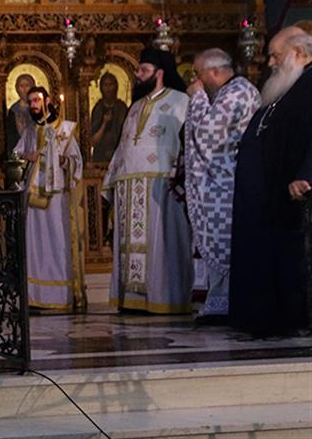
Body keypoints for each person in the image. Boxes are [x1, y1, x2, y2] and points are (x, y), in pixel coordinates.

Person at [231, 26, 312, 337]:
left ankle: (294, 317)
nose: (270, 64)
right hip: (265, 195)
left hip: (291, 194)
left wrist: (306, 173)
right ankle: (264, 315)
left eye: (276, 56)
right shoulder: (284, 88)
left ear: (299, 53)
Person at [104, 47, 193, 314]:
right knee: (129, 245)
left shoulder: (180, 101)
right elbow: (122, 146)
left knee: (162, 244)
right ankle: (132, 300)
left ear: (159, 73)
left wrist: (184, 175)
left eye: (143, 70)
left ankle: (165, 298)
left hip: (162, 185)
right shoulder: (135, 107)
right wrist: (111, 180)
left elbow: (190, 141)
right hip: (129, 185)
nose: (137, 74)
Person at [183, 48, 261, 324]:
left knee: (226, 247)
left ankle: (226, 304)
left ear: (214, 72)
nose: (196, 81)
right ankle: (218, 303)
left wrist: (197, 97)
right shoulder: (230, 92)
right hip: (222, 184)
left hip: (229, 185)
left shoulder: (238, 91)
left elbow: (208, 135)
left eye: (198, 74)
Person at [15, 86, 86, 311]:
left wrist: (64, 161)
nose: (33, 105)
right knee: (35, 245)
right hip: (33, 197)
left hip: (56, 198)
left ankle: (58, 297)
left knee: (57, 243)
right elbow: (16, 156)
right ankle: (35, 296)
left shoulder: (65, 129)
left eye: (37, 100)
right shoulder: (29, 131)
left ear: (48, 100)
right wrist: (27, 155)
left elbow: (77, 162)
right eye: (30, 101)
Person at [89, 72, 129, 163]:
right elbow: (93, 141)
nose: (108, 89)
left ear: (116, 86)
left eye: (111, 85)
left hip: (119, 154)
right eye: (105, 85)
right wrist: (104, 123)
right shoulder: (98, 109)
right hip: (101, 156)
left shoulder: (122, 107)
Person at [5, 74, 36, 160]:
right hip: (19, 150)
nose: (25, 89)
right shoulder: (13, 110)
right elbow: (11, 136)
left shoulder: (37, 108)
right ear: (17, 89)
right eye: (21, 86)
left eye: (27, 85)